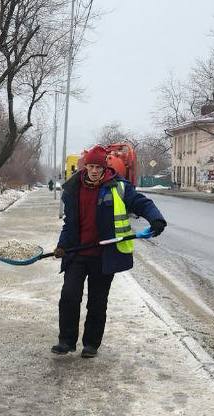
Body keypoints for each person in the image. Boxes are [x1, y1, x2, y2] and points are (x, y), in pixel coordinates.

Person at [52, 145, 166, 358]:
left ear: (105, 167)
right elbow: (69, 223)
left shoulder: (118, 188)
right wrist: (62, 245)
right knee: (69, 296)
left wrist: (156, 219)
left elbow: (142, 203)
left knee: (97, 300)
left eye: (98, 167)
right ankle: (66, 341)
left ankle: (91, 344)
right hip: (77, 253)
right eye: (91, 166)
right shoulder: (73, 189)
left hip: (103, 256)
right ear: (85, 167)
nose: (94, 170)